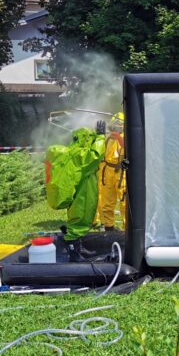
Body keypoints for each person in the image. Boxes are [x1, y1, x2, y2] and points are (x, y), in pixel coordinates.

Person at [63, 122, 106, 261]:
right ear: (85, 139)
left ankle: (78, 247)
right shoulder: (80, 153)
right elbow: (96, 155)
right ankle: (74, 253)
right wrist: (100, 137)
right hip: (82, 192)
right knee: (80, 217)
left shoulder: (76, 150)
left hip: (83, 189)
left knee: (82, 218)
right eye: (90, 138)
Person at [96, 112, 127, 231]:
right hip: (107, 173)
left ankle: (126, 230)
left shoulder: (126, 138)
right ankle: (109, 227)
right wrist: (99, 136)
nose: (116, 128)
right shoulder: (108, 138)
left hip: (121, 174)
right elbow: (99, 152)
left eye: (119, 125)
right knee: (107, 202)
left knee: (124, 202)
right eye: (114, 125)